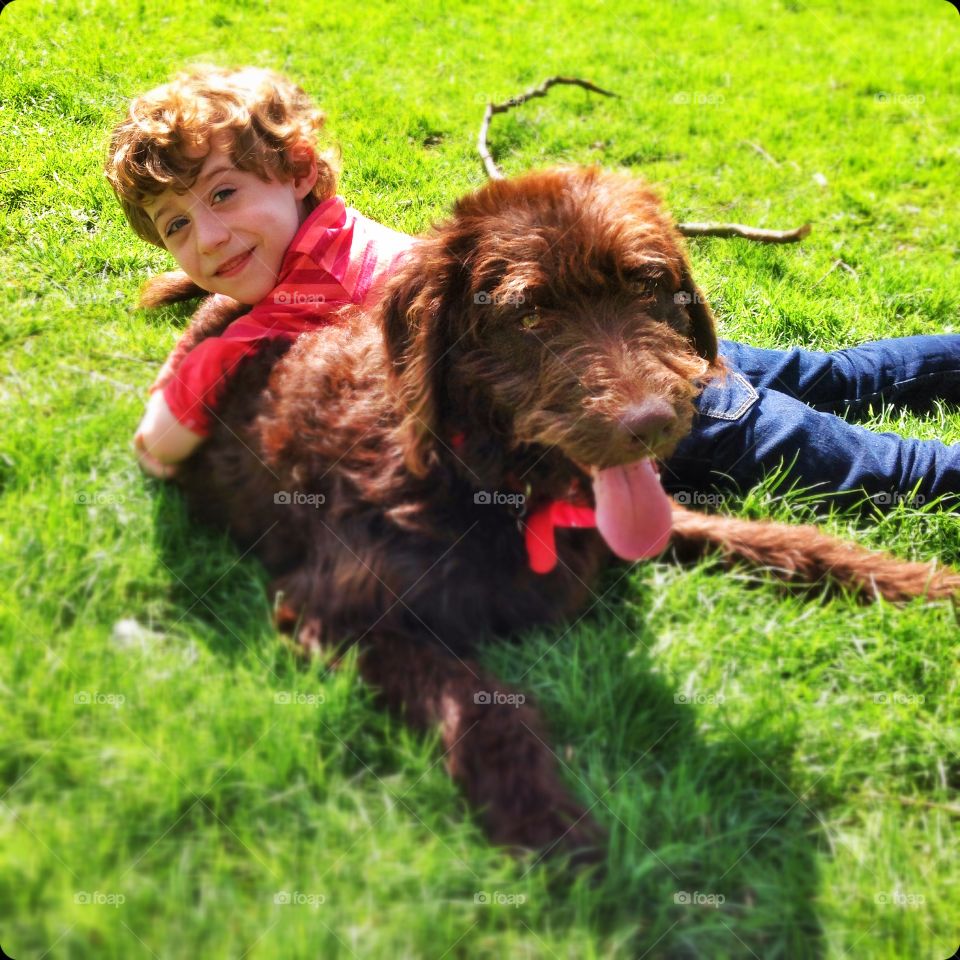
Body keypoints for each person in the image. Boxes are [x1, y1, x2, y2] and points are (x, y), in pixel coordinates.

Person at [104, 65, 412, 478]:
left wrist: (154, 442)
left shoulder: (317, 284)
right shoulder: (332, 236)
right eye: (177, 225)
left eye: (224, 193)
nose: (208, 238)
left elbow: (166, 436)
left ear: (299, 170)